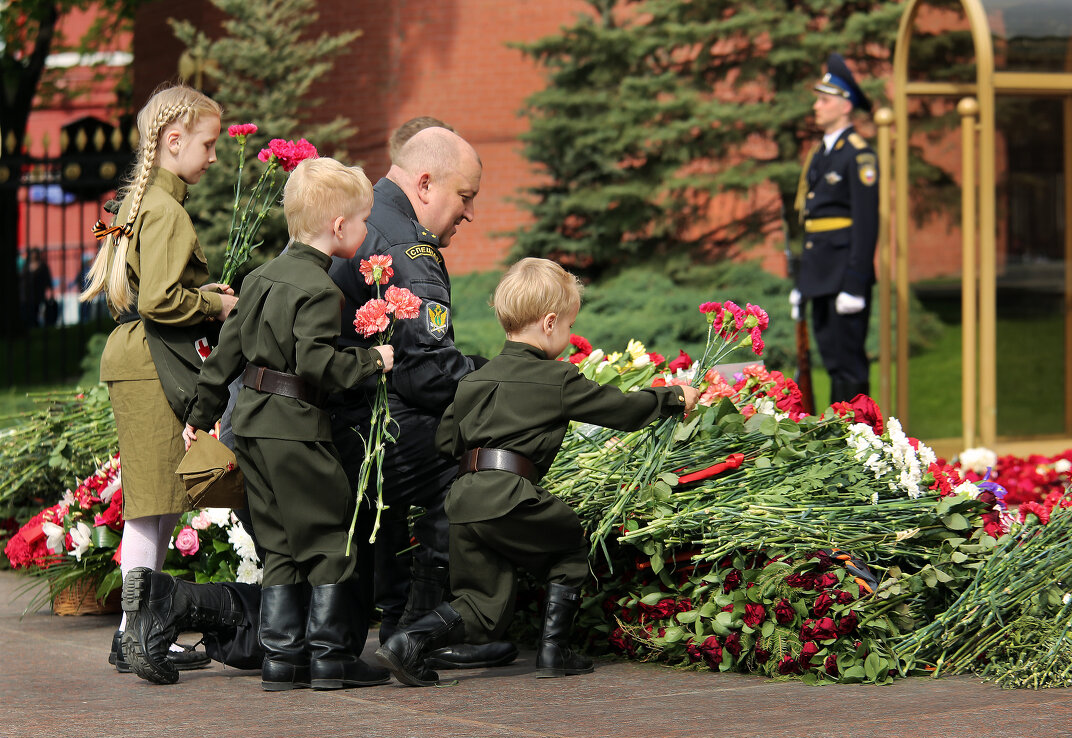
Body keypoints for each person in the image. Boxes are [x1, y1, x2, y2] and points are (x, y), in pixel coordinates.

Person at [122, 158, 396, 692]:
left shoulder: (260, 277)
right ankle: (332, 658)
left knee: (277, 544)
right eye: (362, 221)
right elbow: (319, 366)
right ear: (339, 227)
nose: (365, 232)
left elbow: (224, 355)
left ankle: (282, 658)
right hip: (294, 428)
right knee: (329, 539)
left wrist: (200, 420)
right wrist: (375, 360)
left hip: (248, 425)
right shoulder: (319, 290)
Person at [375, 258, 699, 686]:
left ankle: (407, 642)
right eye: (568, 325)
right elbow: (621, 409)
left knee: (480, 605)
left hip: (464, 499)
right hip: (510, 494)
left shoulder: (476, 379)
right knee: (567, 545)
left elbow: (446, 442)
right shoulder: (556, 378)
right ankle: (554, 652)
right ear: (549, 323)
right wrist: (673, 397)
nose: (568, 334)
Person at [328, 125, 516, 670]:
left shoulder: (369, 217)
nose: (470, 213)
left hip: (334, 416)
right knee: (471, 469)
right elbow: (427, 371)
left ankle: (396, 617)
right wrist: (498, 380)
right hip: (363, 424)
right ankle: (421, 629)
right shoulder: (405, 244)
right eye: (466, 196)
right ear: (426, 183)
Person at [79, 83, 237, 675]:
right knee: (151, 508)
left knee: (160, 505)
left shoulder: (136, 203)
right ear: (174, 141)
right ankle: (136, 635)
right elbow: (164, 301)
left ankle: (135, 631)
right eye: (208, 143)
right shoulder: (165, 210)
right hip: (153, 365)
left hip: (138, 362)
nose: (215, 156)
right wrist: (215, 304)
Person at [789, 53, 878, 405]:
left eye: (824, 100)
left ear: (844, 107)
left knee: (849, 367)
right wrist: (802, 284)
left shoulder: (857, 154)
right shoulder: (821, 154)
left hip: (843, 277)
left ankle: (859, 444)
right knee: (831, 362)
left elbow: (867, 222)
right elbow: (813, 225)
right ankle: (838, 442)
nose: (816, 106)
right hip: (820, 276)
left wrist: (855, 283)